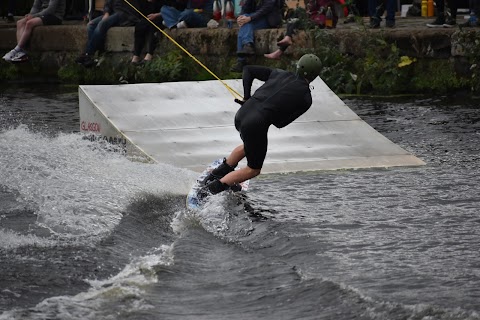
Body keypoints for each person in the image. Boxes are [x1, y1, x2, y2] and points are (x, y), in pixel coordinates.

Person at [200, 54, 322, 197]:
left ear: (298, 66)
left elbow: (248, 70)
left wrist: (247, 97)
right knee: (253, 169)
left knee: (251, 146)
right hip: (255, 124)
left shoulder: (279, 73)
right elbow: (280, 123)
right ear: (315, 76)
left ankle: (215, 175)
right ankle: (210, 191)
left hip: (241, 114)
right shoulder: (306, 99)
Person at [76, 0, 143, 67]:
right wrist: (107, 12)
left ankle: (89, 54)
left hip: (126, 14)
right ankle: (98, 55)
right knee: (91, 25)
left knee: (102, 24)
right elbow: (108, 2)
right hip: (114, 12)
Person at [2, 0, 66, 63]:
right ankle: (21, 52)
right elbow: (36, 7)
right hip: (43, 14)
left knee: (30, 23)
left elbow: (51, 9)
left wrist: (34, 16)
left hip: (55, 16)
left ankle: (16, 50)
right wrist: (30, 15)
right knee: (20, 23)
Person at [230, 0, 283, 72]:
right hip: (255, 19)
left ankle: (241, 60)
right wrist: (241, 17)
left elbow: (266, 8)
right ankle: (247, 45)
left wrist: (250, 18)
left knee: (245, 25)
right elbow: (245, 7)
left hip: (268, 19)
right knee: (244, 25)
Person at [131, 0, 165, 64]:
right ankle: (136, 55)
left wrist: (157, 15)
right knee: (140, 26)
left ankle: (150, 54)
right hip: (149, 17)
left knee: (153, 27)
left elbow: (170, 9)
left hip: (161, 17)